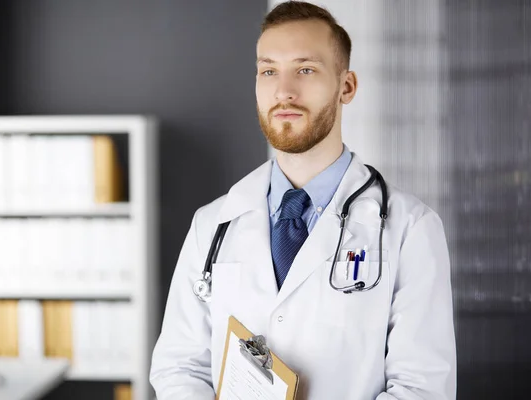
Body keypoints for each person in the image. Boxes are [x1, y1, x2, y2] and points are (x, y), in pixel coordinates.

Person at [149, 1, 456, 399]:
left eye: (305, 70)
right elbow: (179, 366)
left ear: (346, 86)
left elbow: (421, 388)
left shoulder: (410, 228)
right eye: (269, 70)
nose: (283, 91)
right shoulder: (213, 223)